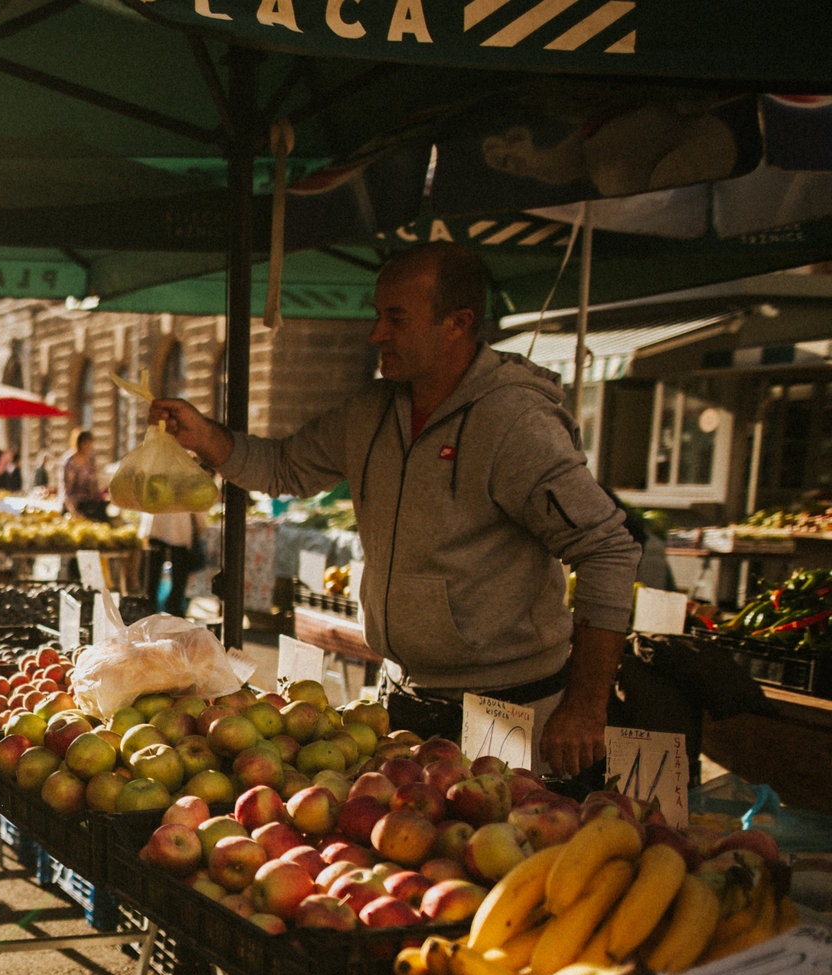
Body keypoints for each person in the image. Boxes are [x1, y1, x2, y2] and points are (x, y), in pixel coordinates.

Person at [147, 242, 640, 777]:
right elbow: (285, 468)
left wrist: (587, 706)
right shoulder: (370, 413)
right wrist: (208, 437)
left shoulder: (514, 423)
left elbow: (608, 549)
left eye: (395, 318)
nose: (375, 334)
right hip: (403, 694)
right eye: (378, 315)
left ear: (457, 323)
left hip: (509, 704)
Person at [144, 510, 204, 617]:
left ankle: (151, 606)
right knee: (178, 573)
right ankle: (172, 606)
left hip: (161, 522)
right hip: (179, 525)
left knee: (155, 571)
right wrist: (201, 524)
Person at [60, 428, 107, 521]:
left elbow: (94, 482)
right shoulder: (69, 460)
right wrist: (73, 510)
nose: (88, 446)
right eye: (85, 443)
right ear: (78, 443)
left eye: (90, 443)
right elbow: (66, 488)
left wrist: (99, 496)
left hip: (88, 501)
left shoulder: (90, 459)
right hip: (73, 503)